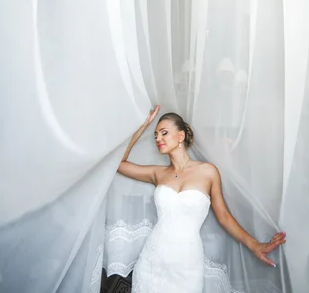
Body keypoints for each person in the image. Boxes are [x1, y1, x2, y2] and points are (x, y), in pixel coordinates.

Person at [118, 105, 286, 293]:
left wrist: (254, 245)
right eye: (156, 135)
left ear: (181, 136)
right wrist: (143, 125)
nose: (158, 138)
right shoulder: (158, 173)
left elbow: (223, 217)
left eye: (164, 133)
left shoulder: (208, 172)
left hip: (187, 263)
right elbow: (119, 163)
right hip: (152, 260)